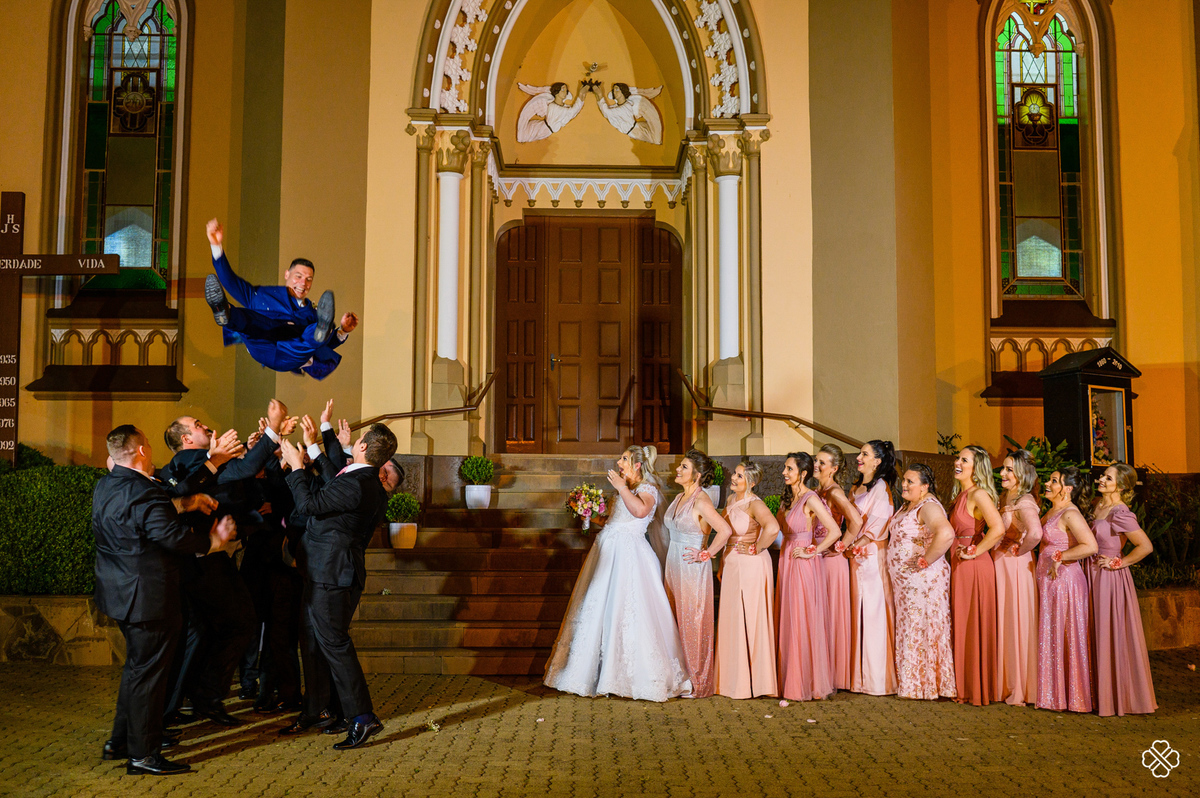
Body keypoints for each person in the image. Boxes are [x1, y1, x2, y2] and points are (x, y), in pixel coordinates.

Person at [94, 425, 237, 776]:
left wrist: (186, 502)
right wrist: (215, 543)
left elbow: (143, 515)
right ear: (142, 450)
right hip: (149, 599)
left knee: (137, 671)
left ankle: (121, 741)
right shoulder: (143, 492)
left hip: (120, 594)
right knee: (149, 678)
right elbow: (172, 537)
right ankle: (143, 754)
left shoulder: (109, 484)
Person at [159, 401, 290, 726]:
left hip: (208, 559)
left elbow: (243, 476)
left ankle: (185, 701)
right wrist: (272, 429)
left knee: (200, 631)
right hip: (206, 562)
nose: (206, 426)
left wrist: (258, 446)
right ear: (186, 439)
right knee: (240, 621)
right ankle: (203, 697)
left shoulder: (203, 462)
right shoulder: (191, 459)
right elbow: (243, 470)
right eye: (198, 424)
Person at [278, 422, 398, 749]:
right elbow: (334, 481)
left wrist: (298, 468)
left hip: (332, 574)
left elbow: (309, 506)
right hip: (332, 571)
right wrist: (317, 446)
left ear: (361, 446)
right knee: (325, 643)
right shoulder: (363, 480)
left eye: (358, 441)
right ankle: (334, 710)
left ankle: (362, 716)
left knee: (334, 644)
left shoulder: (360, 484)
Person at [544, 445, 692, 701]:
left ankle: (632, 676)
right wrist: (587, 512)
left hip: (630, 557)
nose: (618, 461)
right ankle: (592, 673)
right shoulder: (624, 489)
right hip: (607, 552)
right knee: (597, 607)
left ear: (636, 464)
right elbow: (613, 518)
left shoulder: (648, 489)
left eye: (624, 458)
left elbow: (640, 512)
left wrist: (622, 488)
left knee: (628, 611)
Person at [203, 218, 359, 379]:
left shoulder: (312, 313)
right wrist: (216, 246)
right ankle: (225, 312)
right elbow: (231, 282)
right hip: (262, 345)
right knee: (249, 319)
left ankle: (319, 330)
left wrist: (343, 331)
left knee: (310, 338)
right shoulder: (262, 295)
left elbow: (327, 344)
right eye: (298, 276)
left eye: (309, 279)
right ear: (287, 274)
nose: (303, 283)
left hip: (290, 353)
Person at [1088, 464, 1157, 716]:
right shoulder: (1098, 504)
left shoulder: (1120, 512)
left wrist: (1119, 562)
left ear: (1122, 486)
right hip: (1091, 572)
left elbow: (1145, 546)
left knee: (1109, 632)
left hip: (1109, 578)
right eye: (1103, 475)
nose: (1102, 479)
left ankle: (1118, 697)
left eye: (1108, 477)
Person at [663, 449, 733, 699]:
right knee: (674, 618)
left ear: (697, 474)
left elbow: (724, 531)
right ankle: (681, 675)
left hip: (691, 567)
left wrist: (706, 553)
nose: (677, 470)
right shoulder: (680, 496)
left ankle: (698, 681)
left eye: (683, 467)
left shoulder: (701, 500)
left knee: (693, 621)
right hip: (673, 563)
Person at [708, 461, 781, 699]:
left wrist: (756, 547)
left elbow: (772, 527)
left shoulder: (755, 504)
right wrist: (722, 562)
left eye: (740, 476)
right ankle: (733, 681)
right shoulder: (730, 501)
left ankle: (756, 683)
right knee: (733, 619)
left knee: (750, 618)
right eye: (736, 473)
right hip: (732, 564)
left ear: (752, 482)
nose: (735, 478)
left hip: (750, 565)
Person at [886, 464, 956, 701]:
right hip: (907, 584)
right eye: (904, 480)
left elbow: (946, 533)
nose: (904, 485)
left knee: (920, 629)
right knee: (911, 629)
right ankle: (912, 683)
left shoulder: (927, 506)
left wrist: (926, 559)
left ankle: (922, 685)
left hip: (922, 582)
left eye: (910, 482)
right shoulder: (911, 505)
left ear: (925, 487)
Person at [775, 453, 840, 701]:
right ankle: (790, 679)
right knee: (790, 616)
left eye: (789, 468)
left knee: (801, 617)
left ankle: (803, 683)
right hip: (787, 558)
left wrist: (814, 550)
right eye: (784, 467)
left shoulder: (810, 498)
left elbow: (834, 531)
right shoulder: (790, 498)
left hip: (802, 562)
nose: (784, 472)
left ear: (803, 473)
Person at [1036, 467, 1098, 713]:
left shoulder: (1070, 513)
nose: (1048, 484)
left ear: (1068, 488)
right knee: (1053, 633)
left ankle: (1073, 697)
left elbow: (1090, 546)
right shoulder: (1053, 510)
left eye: (1054, 481)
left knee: (1066, 634)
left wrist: (1062, 557)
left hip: (1065, 581)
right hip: (1049, 580)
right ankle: (1054, 694)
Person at [947, 446, 1005, 706]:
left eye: (964, 459)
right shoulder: (961, 494)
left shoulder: (979, 494)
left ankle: (975, 687)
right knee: (962, 622)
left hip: (974, 566)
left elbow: (998, 528)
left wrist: (974, 551)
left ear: (976, 467)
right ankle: (965, 684)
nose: (957, 462)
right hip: (959, 563)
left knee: (970, 623)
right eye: (958, 458)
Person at [844, 440, 898, 696]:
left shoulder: (882, 488)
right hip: (855, 556)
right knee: (858, 612)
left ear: (877, 461)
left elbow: (880, 520)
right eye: (860, 453)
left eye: (864, 454)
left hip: (872, 555)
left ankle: (876, 680)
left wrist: (860, 542)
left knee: (873, 613)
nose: (859, 457)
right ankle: (859, 677)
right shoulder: (856, 488)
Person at [813, 444, 861, 691]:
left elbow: (856, 520)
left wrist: (842, 544)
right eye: (816, 460)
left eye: (822, 462)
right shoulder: (816, 489)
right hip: (817, 556)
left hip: (831, 562)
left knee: (830, 615)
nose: (817, 465)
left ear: (834, 468)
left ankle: (833, 674)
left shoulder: (833, 492)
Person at [994, 449, 1042, 705]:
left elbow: (1035, 533)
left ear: (1021, 474)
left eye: (1009, 469)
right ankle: (1005, 680)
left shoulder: (1024, 501)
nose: (1002, 473)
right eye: (1003, 468)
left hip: (1015, 568)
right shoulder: (1006, 496)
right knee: (1004, 620)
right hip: (1002, 565)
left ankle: (1019, 684)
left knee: (1015, 621)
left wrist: (1020, 550)